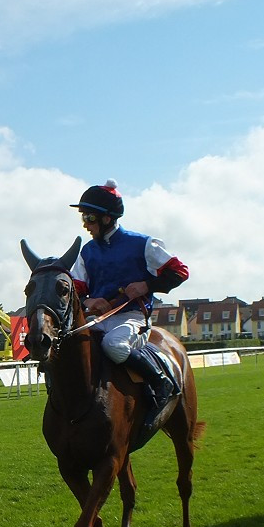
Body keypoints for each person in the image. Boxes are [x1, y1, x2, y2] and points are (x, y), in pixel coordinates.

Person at [69, 179, 190, 436]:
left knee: (113, 345)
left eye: (89, 217)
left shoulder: (142, 244)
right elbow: (76, 290)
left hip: (134, 317)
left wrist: (146, 285)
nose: (85, 224)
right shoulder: (87, 252)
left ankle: (161, 382)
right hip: (98, 318)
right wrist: (89, 301)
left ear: (107, 219)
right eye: (83, 218)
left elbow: (179, 271)